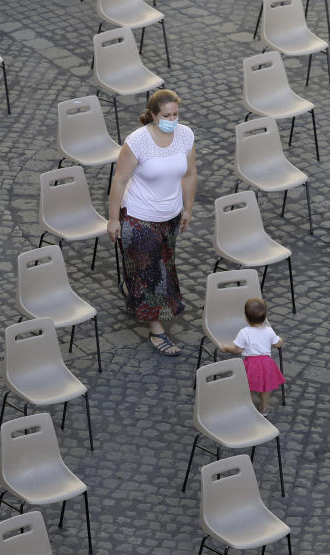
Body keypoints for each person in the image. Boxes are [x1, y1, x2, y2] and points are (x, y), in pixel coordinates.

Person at [107, 89, 197, 356]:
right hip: (139, 216)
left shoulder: (185, 136)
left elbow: (190, 174)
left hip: (170, 215)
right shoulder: (138, 142)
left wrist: (188, 208)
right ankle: (157, 331)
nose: (172, 119)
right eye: (166, 115)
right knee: (151, 272)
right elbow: (119, 181)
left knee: (163, 262)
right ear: (154, 116)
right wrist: (113, 219)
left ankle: (129, 286)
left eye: (176, 114)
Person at [220, 298, 285, 416]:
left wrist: (225, 348)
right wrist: (280, 339)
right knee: (266, 388)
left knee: (248, 387)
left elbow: (237, 349)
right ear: (265, 317)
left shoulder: (244, 332)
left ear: (245, 317)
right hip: (267, 364)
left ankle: (248, 406)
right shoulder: (269, 331)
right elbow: (277, 344)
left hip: (251, 364)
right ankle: (264, 407)